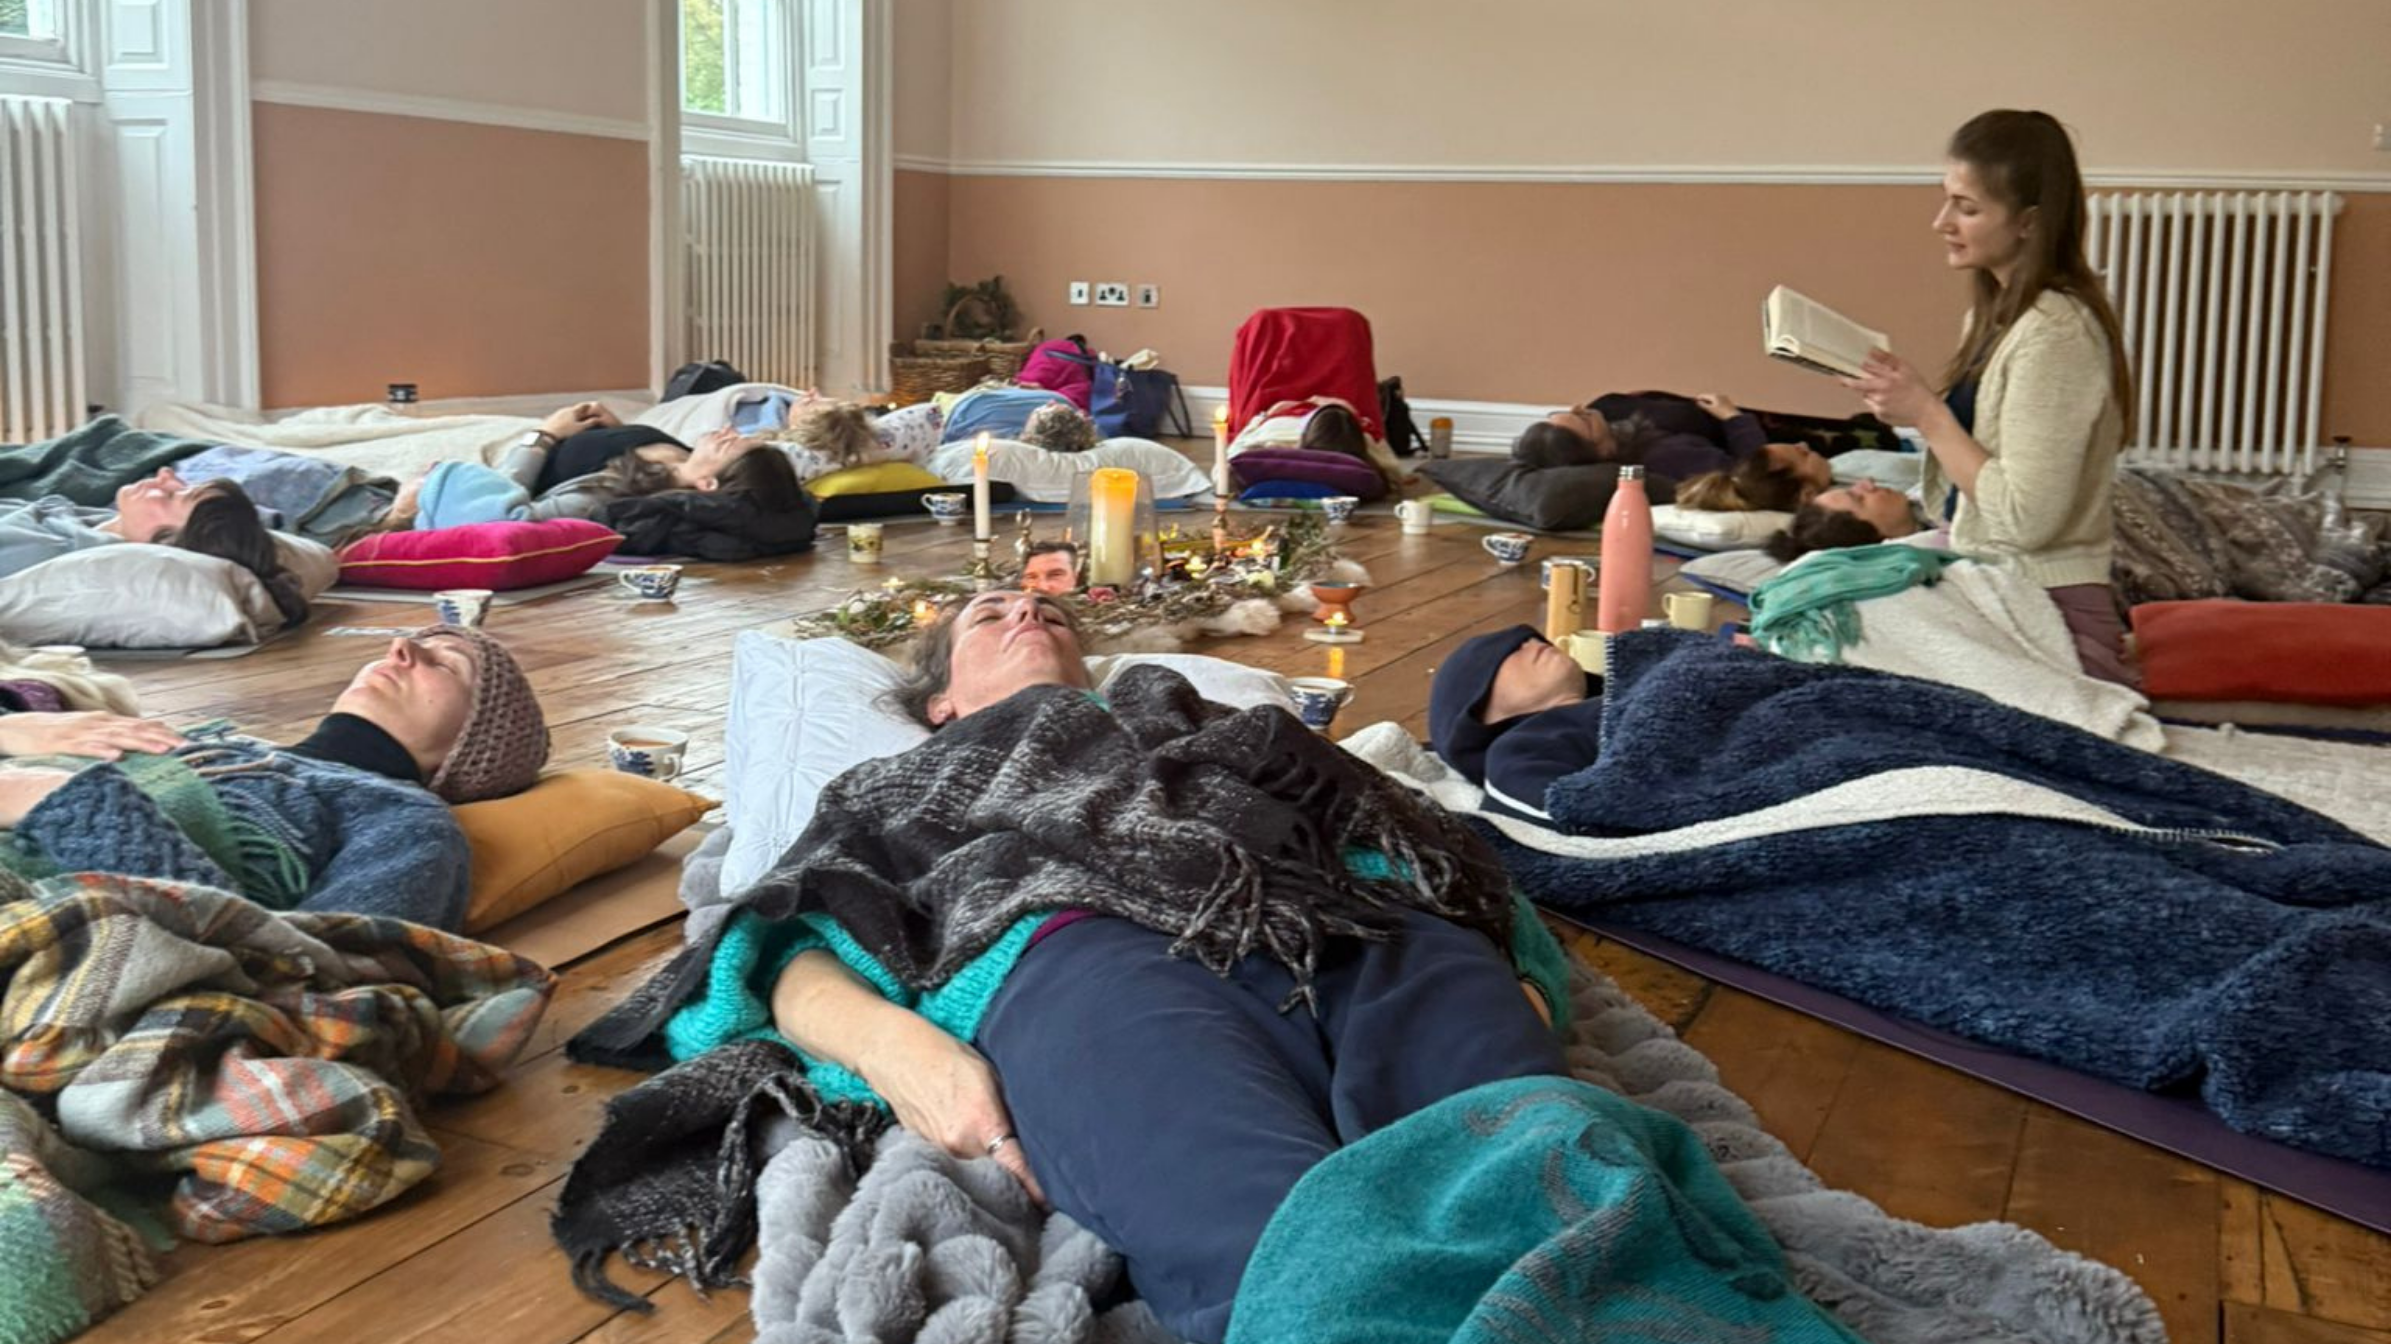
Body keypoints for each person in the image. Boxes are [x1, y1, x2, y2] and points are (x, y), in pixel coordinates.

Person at [646, 591, 1570, 1342]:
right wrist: (906, 1058)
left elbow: (1435, 850)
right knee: (1278, 1247)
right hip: (1084, 954)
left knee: (1552, 1192)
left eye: (1051, 615)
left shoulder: (1211, 723)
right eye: (990, 615)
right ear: (940, 704)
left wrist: (1525, 975)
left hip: (1358, 923)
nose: (1030, 616)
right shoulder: (898, 783)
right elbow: (779, 950)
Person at [1840, 109, 2135, 685]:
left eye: (1967, 208)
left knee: (1831, 636)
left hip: (2046, 610)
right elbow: (1968, 488)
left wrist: (1927, 414)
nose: (1941, 222)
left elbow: (2026, 520)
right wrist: (1913, 401)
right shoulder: (1997, 314)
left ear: (2029, 222)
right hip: (1992, 578)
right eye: (1947, 200)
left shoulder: (2056, 333)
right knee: (1814, 589)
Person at [0, 624, 549, 929]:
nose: (401, 646)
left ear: (467, 747)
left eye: (446, 664)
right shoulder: (210, 744)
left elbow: (306, 971)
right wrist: (16, 730)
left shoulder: (402, 817)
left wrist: (65, 800)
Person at [398, 402, 803, 531]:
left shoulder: (614, 497)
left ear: (708, 483)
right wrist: (622, 432)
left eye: (731, 444)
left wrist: (544, 434)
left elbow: (506, 503)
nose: (727, 430)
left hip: (518, 450)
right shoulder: (682, 462)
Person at [0, 472, 311, 627]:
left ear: (168, 543)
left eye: (177, 496)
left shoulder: (41, 551)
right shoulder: (73, 520)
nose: (165, 476)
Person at [1427, 625, 1602, 823]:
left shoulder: (1621, 693)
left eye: (1534, 638)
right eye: (1507, 650)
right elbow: (1576, 813)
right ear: (1478, 712)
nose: (1532, 642)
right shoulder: (1517, 752)